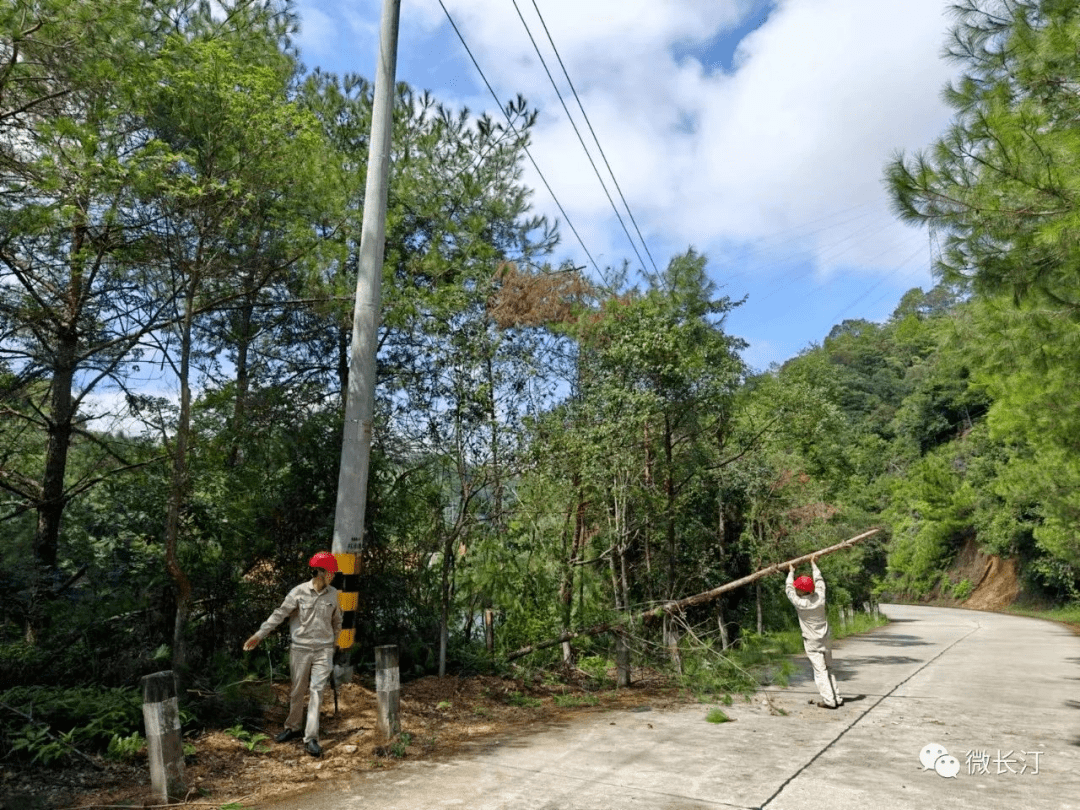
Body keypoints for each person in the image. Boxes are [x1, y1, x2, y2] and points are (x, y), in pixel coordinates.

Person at [244, 552, 343, 756]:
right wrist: (259, 635)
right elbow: (279, 614)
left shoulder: (334, 595)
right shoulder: (298, 592)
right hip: (301, 650)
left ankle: (311, 738)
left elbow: (337, 622)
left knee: (317, 692)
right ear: (320, 572)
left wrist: (333, 646)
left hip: (323, 651)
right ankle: (292, 727)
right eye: (331, 572)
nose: (333, 575)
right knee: (297, 691)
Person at [785, 555, 843, 709]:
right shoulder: (820, 599)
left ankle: (829, 701)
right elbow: (820, 582)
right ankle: (837, 697)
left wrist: (791, 572)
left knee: (820, 671)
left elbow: (789, 590)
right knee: (829, 668)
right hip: (826, 637)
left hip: (812, 641)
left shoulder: (800, 603)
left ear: (801, 591)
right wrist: (813, 565)